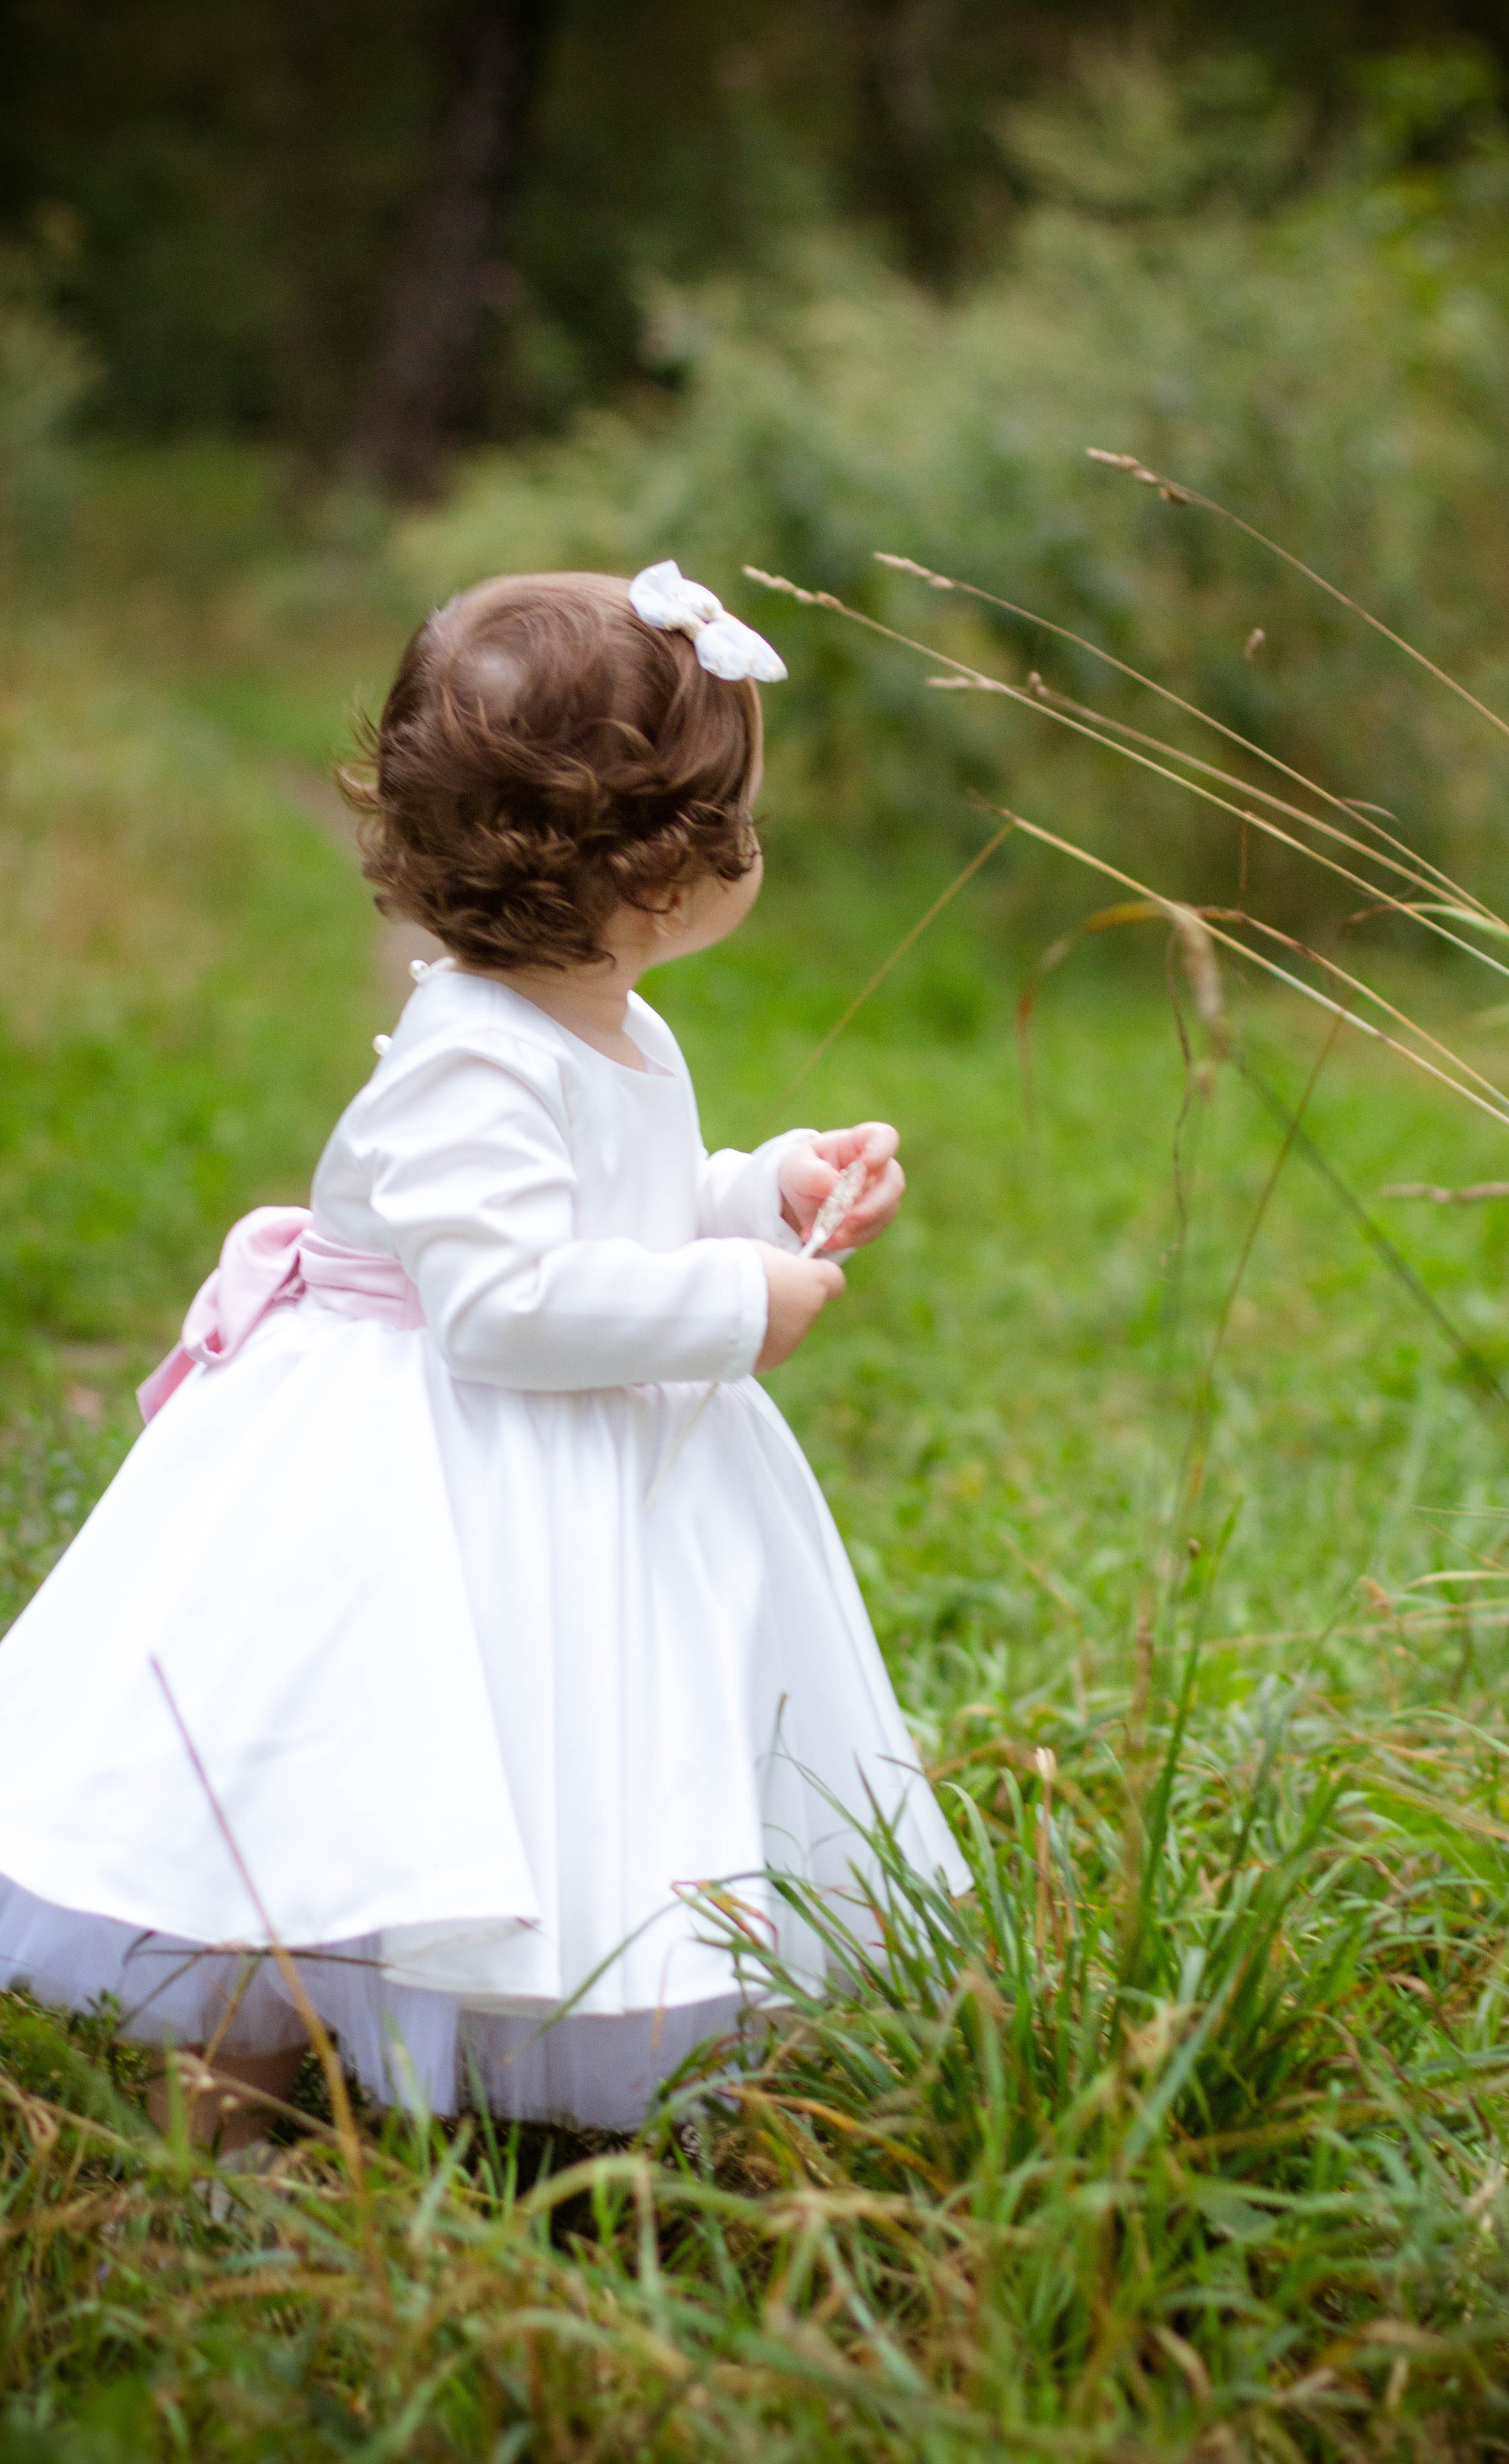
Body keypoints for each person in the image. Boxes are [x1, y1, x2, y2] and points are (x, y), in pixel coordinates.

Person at [0, 561, 969, 2149]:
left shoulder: (609, 1014)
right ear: (664, 876)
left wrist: (758, 1187)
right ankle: (235, 2122)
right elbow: (505, 1305)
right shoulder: (468, 1057)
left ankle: (528, 2037)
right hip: (420, 1471)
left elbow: (616, 1200)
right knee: (337, 1791)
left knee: (550, 1752)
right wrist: (737, 1303)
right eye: (740, 823)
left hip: (553, 1463)